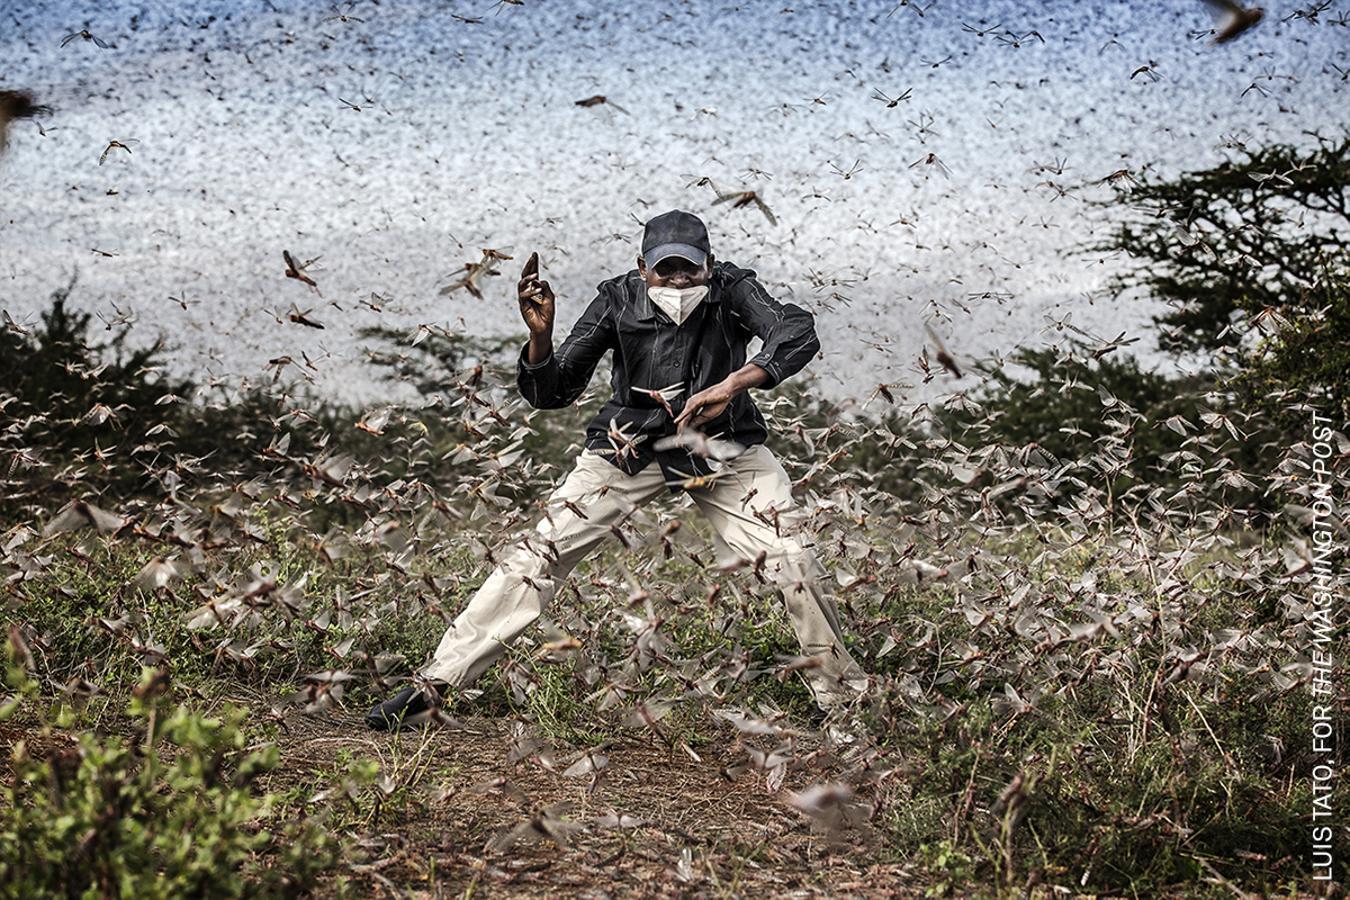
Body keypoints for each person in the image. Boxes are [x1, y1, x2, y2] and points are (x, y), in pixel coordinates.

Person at [366, 209, 871, 730]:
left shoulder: (734, 289)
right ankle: (435, 685)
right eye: (664, 270)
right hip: (629, 446)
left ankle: (844, 704)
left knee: (791, 557)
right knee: (537, 555)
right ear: (641, 267)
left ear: (709, 266)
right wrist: (540, 338)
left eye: (689, 271)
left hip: (723, 444)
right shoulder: (615, 298)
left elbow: (796, 330)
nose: (677, 281)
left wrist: (732, 385)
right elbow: (553, 391)